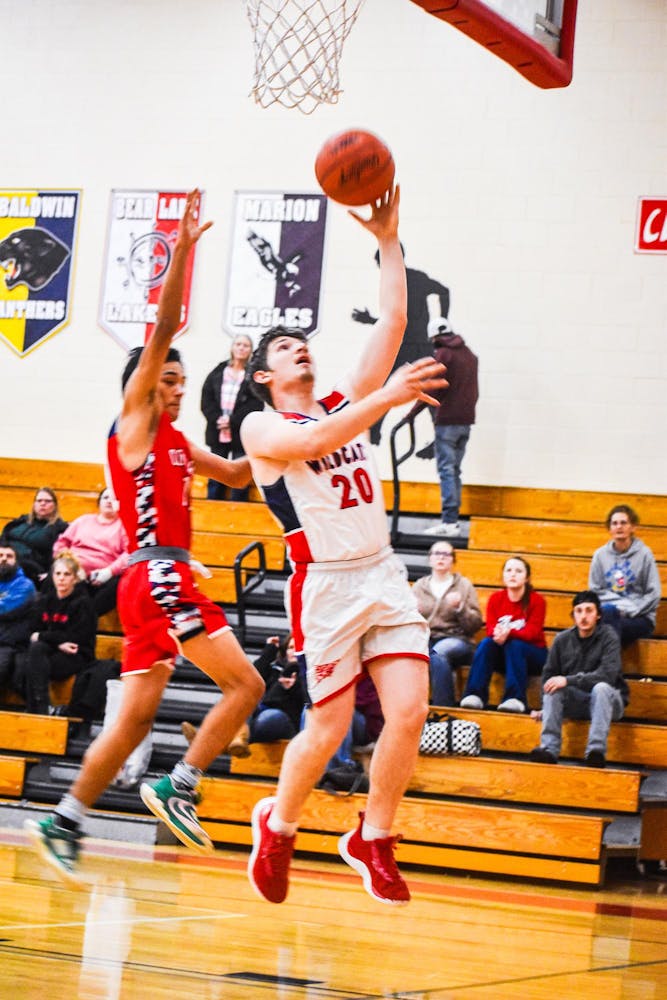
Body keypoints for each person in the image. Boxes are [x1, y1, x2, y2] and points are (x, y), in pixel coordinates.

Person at [25, 189, 265, 884]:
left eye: (184, 381)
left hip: (148, 582)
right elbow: (161, 328)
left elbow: (240, 472)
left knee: (130, 724)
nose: (179, 389)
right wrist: (182, 252)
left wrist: (294, 427)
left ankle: (64, 820)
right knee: (246, 685)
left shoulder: (181, 442)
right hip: (158, 578)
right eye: (169, 379)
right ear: (142, 383)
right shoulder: (134, 426)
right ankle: (179, 785)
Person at [241, 184, 447, 906]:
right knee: (328, 725)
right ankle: (280, 825)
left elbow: (393, 322)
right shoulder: (261, 429)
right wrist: (386, 397)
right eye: (283, 348)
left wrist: (388, 239)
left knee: (410, 710)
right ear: (264, 377)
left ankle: (373, 837)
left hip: (381, 574)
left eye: (301, 342)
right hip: (325, 585)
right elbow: (319, 440)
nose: (298, 348)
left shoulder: (341, 401)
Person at [351, 243, 450, 444]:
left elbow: (442, 292)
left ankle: (375, 433)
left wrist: (442, 320)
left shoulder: (409, 280)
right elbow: (442, 292)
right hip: (413, 342)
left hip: (411, 344)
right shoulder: (412, 279)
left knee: (394, 388)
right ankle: (375, 433)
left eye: (381, 264)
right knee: (407, 388)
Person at [530, 591, 628, 768]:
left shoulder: (609, 637)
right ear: (573, 615)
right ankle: (549, 749)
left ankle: (595, 752)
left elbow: (607, 675)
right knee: (554, 686)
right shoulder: (562, 639)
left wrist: (568, 680)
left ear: (598, 615)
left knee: (601, 688)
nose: (583, 616)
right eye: (579, 611)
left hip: (609, 702)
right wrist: (545, 707)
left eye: (589, 610)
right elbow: (548, 676)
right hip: (577, 702)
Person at [460, 556, 547, 714]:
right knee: (486, 643)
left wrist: (509, 633)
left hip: (534, 655)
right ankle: (475, 695)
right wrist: (498, 634)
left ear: (527, 578)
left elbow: (533, 632)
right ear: (503, 576)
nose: (513, 574)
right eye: (509, 570)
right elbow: (490, 628)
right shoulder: (495, 598)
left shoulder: (537, 601)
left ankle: (515, 698)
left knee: (514, 644)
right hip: (505, 653)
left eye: (518, 571)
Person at [419, 317, 479, 537]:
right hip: (465, 422)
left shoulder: (444, 355)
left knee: (446, 470)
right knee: (454, 471)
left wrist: (411, 414)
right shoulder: (469, 354)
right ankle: (452, 520)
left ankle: (449, 522)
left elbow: (432, 389)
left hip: (447, 422)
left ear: (434, 337)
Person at [21, 551, 96, 715]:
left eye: (67, 574)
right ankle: (42, 707)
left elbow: (77, 638)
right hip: (50, 651)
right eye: (58, 574)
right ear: (52, 576)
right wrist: (58, 642)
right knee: (33, 654)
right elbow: (30, 630)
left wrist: (44, 637)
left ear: (75, 578)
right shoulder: (45, 600)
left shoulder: (83, 603)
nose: (61, 578)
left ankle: (37, 708)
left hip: (77, 654)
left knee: (34, 661)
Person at [412, 541, 482, 705]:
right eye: (437, 553)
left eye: (446, 554)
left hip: (456, 639)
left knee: (439, 653)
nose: (441, 558)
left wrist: (460, 608)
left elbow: (475, 624)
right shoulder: (419, 586)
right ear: (430, 559)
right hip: (426, 638)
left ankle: (443, 708)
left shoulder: (463, 585)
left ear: (453, 560)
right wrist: (413, 613)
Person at [200, 333, 263, 501]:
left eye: (246, 345)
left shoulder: (253, 375)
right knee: (215, 476)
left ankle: (237, 510)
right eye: (238, 344)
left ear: (250, 350)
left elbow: (256, 404)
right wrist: (217, 419)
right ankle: (212, 509)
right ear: (232, 348)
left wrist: (232, 421)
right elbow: (206, 399)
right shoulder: (218, 371)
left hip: (240, 434)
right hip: (217, 432)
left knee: (239, 478)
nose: (241, 348)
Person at [588, 504, 661, 647]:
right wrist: (619, 607)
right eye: (614, 523)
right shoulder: (600, 555)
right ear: (609, 528)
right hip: (609, 614)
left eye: (623, 523)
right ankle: (611, 661)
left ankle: (605, 660)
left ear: (633, 527)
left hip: (639, 617)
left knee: (605, 629)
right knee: (607, 618)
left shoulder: (645, 554)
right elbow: (595, 590)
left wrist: (631, 610)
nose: (619, 527)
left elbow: (654, 593)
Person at [52, 488, 129, 616]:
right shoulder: (83, 521)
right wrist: (67, 563)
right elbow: (62, 543)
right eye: (105, 498)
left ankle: (86, 618)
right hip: (73, 570)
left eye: (114, 498)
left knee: (118, 584)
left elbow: (129, 553)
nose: (109, 501)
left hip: (102, 577)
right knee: (56, 573)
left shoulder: (123, 526)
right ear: (99, 502)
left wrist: (109, 571)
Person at [0, 487, 68, 585]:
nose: (43, 504)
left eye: (47, 501)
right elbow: (4, 537)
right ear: (34, 504)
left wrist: (50, 573)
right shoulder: (21, 521)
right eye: (39, 500)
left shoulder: (60, 528)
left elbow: (61, 556)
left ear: (55, 505)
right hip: (5, 558)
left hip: (31, 567)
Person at [0, 544, 37, 690]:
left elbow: (4, 609)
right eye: (0, 556)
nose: (4, 559)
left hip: (10, 643)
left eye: (9, 556)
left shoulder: (25, 585)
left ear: (16, 561)